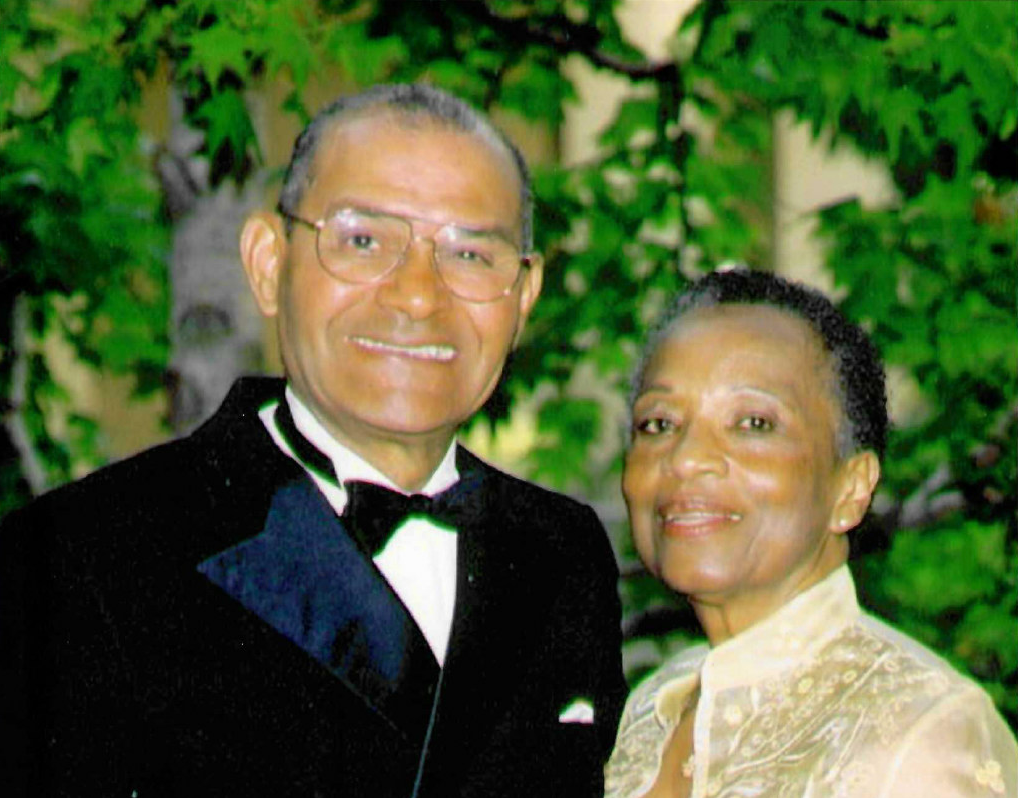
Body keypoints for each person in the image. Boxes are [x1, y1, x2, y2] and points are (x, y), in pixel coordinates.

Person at [0, 83, 627, 797]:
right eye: (364, 241)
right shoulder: (78, 557)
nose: (418, 296)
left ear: (525, 294)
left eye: (470, 256)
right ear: (269, 263)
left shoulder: (562, 551)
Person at [604, 269, 1017, 798]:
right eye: (658, 424)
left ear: (850, 487)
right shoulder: (652, 708)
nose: (687, 460)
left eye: (753, 423)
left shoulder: (923, 732)